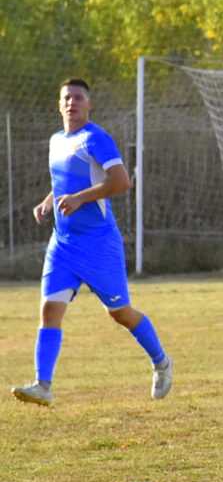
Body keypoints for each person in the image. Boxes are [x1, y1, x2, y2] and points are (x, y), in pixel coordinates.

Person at [11, 78, 173, 407]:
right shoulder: (57, 140)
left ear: (89, 104)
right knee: (49, 310)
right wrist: (48, 201)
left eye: (78, 97)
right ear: (59, 105)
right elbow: (64, 182)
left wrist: (80, 199)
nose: (72, 102)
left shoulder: (96, 139)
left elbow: (121, 181)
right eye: (66, 98)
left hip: (99, 246)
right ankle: (43, 385)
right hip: (64, 245)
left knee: (120, 313)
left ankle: (161, 362)